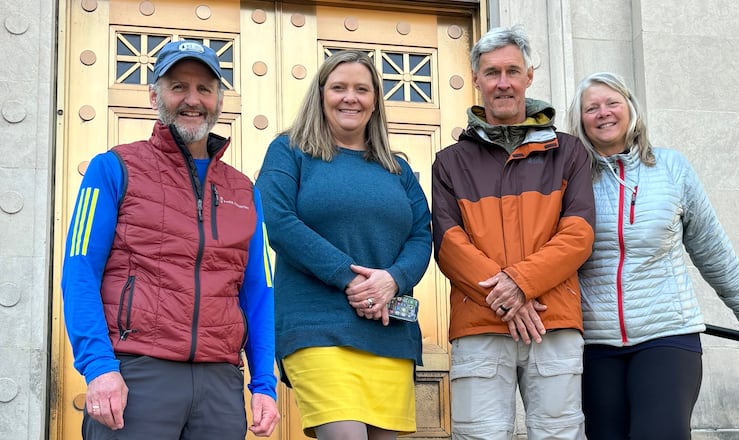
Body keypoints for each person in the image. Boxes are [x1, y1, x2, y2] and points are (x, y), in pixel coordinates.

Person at [61, 40, 280, 439]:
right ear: (154, 95)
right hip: (135, 374)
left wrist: (264, 384)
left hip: (219, 383)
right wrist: (99, 367)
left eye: (204, 89)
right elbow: (79, 273)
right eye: (178, 86)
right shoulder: (112, 168)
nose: (192, 100)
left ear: (219, 101)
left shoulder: (245, 191)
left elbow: (259, 291)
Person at [566, 71, 739, 439]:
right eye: (592, 108)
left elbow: (711, 247)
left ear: (630, 109)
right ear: (580, 119)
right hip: (595, 342)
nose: (603, 113)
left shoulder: (671, 168)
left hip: (667, 335)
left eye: (612, 103)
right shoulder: (571, 179)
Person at [254, 50, 431, 440]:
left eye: (361, 89)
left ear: (375, 101)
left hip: (389, 333)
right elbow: (277, 220)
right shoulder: (290, 151)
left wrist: (393, 280)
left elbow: (421, 235)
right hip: (317, 327)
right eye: (339, 87)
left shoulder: (398, 169)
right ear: (321, 95)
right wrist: (349, 278)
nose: (350, 98)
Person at [431, 26, 595, 440]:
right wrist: (510, 295)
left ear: (529, 76)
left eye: (512, 71)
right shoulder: (449, 162)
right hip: (480, 324)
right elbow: (448, 244)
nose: (502, 83)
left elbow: (578, 234)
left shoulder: (569, 151)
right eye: (492, 73)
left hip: (551, 321)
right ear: (476, 79)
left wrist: (521, 283)